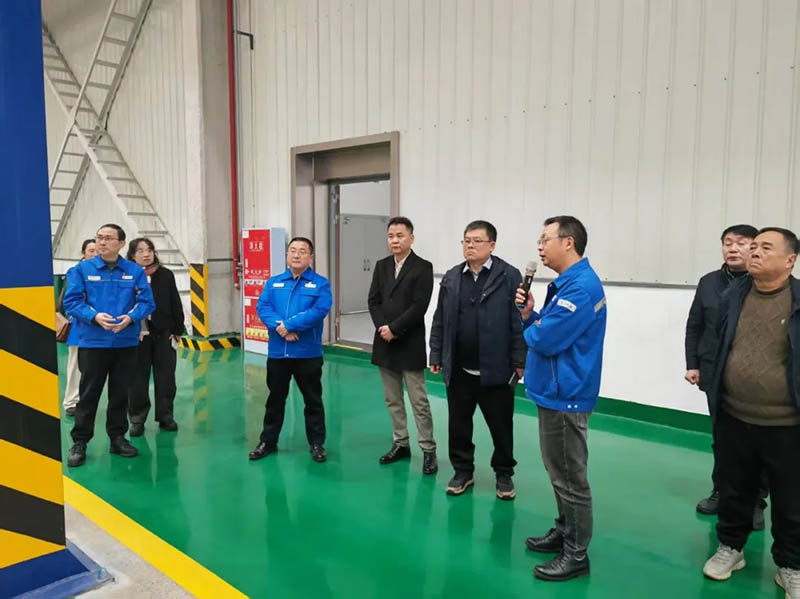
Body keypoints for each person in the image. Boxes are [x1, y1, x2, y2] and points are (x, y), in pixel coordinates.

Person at [702, 227, 800, 599]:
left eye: (765, 248)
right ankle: (731, 548)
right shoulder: (733, 295)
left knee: (791, 500)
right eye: (753, 246)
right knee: (734, 490)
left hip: (787, 424)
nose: (754, 252)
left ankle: (791, 566)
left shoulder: (798, 301)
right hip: (734, 416)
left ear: (790, 260)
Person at [516, 216, 607, 582]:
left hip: (566, 395)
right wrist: (531, 316)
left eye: (546, 239)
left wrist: (531, 327)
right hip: (555, 391)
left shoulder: (580, 289)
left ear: (568, 242)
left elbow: (546, 339)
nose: (539, 247)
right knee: (559, 471)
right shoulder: (568, 284)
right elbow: (546, 329)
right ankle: (565, 529)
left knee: (570, 477)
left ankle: (576, 554)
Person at [429, 220, 525, 499]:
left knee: (501, 427)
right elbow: (440, 319)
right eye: (466, 241)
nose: (470, 246)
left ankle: (504, 474)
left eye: (477, 241)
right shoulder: (452, 277)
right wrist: (436, 353)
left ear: (492, 245)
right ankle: (463, 471)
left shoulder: (508, 275)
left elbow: (517, 321)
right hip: (459, 368)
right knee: (459, 425)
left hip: (496, 369)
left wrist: (520, 360)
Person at [684, 224, 768, 528]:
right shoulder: (709, 282)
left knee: (756, 441)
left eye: (741, 243)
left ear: (754, 248)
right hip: (715, 374)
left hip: (754, 377)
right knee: (722, 438)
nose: (733, 248)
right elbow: (695, 325)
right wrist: (693, 363)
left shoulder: (764, 283)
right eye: (727, 243)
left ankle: (755, 501)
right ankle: (721, 491)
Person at [63, 224, 155, 467]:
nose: (102, 242)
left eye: (108, 238)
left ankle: (117, 438)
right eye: (99, 238)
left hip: (125, 342)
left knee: (120, 393)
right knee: (89, 393)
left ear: (121, 244)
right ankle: (80, 442)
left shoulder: (134, 271)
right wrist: (94, 316)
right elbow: (71, 302)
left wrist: (131, 318)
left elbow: (147, 302)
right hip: (93, 342)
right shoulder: (81, 270)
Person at [249, 237, 333, 463]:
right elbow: (263, 307)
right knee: (275, 399)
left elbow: (319, 310)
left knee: (313, 400)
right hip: (279, 353)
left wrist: (291, 325)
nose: (296, 255)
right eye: (293, 250)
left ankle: (317, 443)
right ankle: (268, 441)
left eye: (302, 251)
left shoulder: (320, 284)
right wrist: (281, 328)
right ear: (287, 255)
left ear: (311, 257)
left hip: (307, 353)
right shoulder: (274, 282)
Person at [368, 217, 437, 474]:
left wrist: (395, 329)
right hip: (384, 342)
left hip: (409, 342)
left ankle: (428, 449)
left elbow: (420, 305)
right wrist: (383, 328)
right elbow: (373, 300)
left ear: (411, 238)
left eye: (400, 235)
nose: (395, 240)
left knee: (419, 401)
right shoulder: (381, 266)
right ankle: (401, 443)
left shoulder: (423, 267)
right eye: (391, 236)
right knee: (392, 399)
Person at [126, 238, 185, 436]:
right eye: (140, 251)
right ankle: (137, 419)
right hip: (136, 335)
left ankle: (166, 416)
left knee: (166, 378)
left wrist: (177, 329)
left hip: (163, 333)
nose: (146, 254)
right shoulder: (127, 275)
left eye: (149, 250)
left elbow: (175, 302)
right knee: (137, 379)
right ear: (132, 255)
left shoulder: (165, 275)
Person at [61, 238, 98, 417]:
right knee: (75, 366)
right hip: (79, 327)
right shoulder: (75, 272)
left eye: (97, 251)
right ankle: (71, 401)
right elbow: (72, 301)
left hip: (101, 328)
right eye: (91, 251)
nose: (95, 254)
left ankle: (88, 400)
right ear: (84, 253)